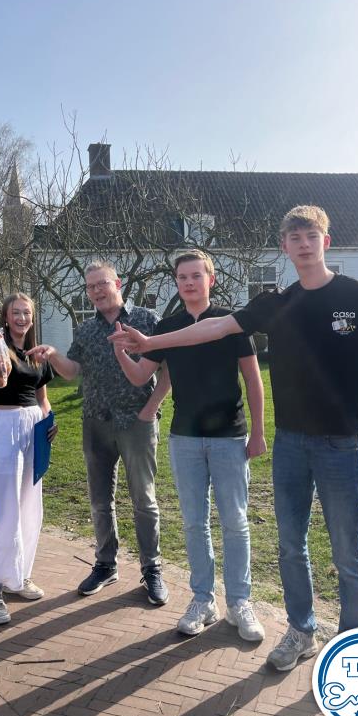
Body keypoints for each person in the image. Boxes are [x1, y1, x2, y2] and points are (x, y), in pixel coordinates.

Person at [109, 206, 358, 670]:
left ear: (326, 242)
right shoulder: (275, 303)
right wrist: (151, 344)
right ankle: (301, 631)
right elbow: (213, 328)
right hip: (291, 443)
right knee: (291, 547)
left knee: (347, 552)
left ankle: (351, 645)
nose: (303, 244)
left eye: (311, 236)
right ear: (285, 247)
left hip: (341, 443)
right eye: (294, 237)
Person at [112, 250, 267, 641]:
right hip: (184, 438)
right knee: (195, 523)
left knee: (235, 522)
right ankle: (203, 600)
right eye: (182, 277)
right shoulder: (168, 328)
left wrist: (259, 432)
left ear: (210, 279)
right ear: (177, 283)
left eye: (196, 275)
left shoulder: (232, 322)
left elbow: (253, 380)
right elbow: (140, 376)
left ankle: (239, 602)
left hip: (230, 437)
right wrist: (121, 352)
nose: (189, 283)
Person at [29, 261, 171, 605]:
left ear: (117, 284)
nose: (95, 291)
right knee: (99, 500)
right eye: (90, 286)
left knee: (144, 500)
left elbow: (169, 369)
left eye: (101, 284)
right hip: (96, 422)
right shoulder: (86, 330)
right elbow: (73, 371)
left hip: (136, 422)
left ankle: (151, 568)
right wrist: (53, 355)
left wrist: (151, 407)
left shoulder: (147, 320)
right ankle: (106, 564)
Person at [0, 293, 56, 625]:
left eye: (27, 313)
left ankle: (18, 576)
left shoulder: (36, 355)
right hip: (3, 424)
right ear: (6, 317)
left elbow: (43, 399)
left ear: (33, 318)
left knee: (30, 506)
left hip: (33, 427)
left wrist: (49, 421)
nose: (22, 318)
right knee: (5, 507)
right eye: (16, 313)